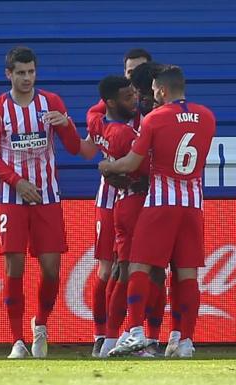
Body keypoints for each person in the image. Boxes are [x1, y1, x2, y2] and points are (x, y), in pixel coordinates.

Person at [101, 65, 216, 358]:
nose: (152, 95)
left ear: (163, 90)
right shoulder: (207, 117)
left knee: (139, 266)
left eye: (154, 90)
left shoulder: (155, 118)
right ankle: (183, 340)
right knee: (186, 273)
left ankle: (135, 331)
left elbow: (130, 163)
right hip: (193, 204)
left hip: (161, 202)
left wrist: (108, 166)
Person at [0, 46, 82, 359]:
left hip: (47, 197)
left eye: (31, 72)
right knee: (15, 267)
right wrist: (17, 182)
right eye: (20, 73)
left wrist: (65, 123)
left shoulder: (51, 102)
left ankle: (41, 324)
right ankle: (17, 340)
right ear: (8, 74)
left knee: (51, 269)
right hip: (12, 198)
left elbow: (75, 148)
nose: (26, 78)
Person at [81, 49, 156, 358]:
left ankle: (137, 334)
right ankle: (104, 335)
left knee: (144, 270)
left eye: (140, 74)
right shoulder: (112, 112)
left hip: (140, 195)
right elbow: (93, 126)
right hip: (115, 196)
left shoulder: (148, 109)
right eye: (130, 74)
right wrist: (112, 167)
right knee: (110, 270)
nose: (134, 84)